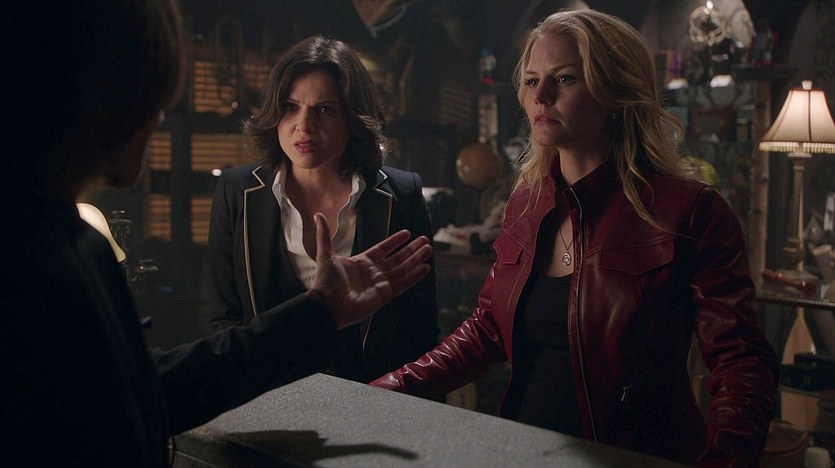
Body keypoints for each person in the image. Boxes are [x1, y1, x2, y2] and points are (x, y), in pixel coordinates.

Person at [1, 1, 432, 466]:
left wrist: (320, 314)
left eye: (325, 109)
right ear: (103, 103)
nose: (160, 120)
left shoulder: (65, 240)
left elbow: (140, 391)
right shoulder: (55, 253)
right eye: (154, 100)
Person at [370, 9, 779, 466]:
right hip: (521, 449)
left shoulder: (690, 209)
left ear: (615, 92)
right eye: (531, 81)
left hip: (632, 457)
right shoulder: (527, 202)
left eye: (564, 79)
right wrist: (388, 389)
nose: (541, 96)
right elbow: (488, 329)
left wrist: (726, 460)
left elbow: (741, 361)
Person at [207, 35, 440, 383]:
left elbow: (421, 328)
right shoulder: (237, 191)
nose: (304, 125)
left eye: (325, 110)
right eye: (290, 107)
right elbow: (223, 318)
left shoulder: (402, 194)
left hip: (374, 397)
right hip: (267, 398)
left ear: (353, 117)